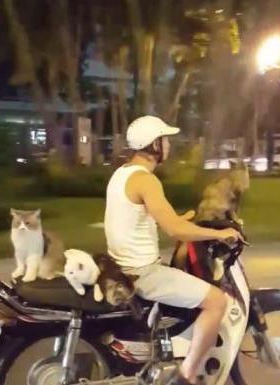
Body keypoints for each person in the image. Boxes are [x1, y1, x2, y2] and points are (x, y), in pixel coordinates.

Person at [104, 116, 244, 385]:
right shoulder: (145, 180)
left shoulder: (122, 174)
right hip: (142, 273)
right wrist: (219, 233)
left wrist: (183, 218)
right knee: (217, 301)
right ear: (155, 144)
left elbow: (146, 217)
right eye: (165, 140)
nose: (168, 145)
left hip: (120, 266)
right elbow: (175, 231)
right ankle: (187, 376)